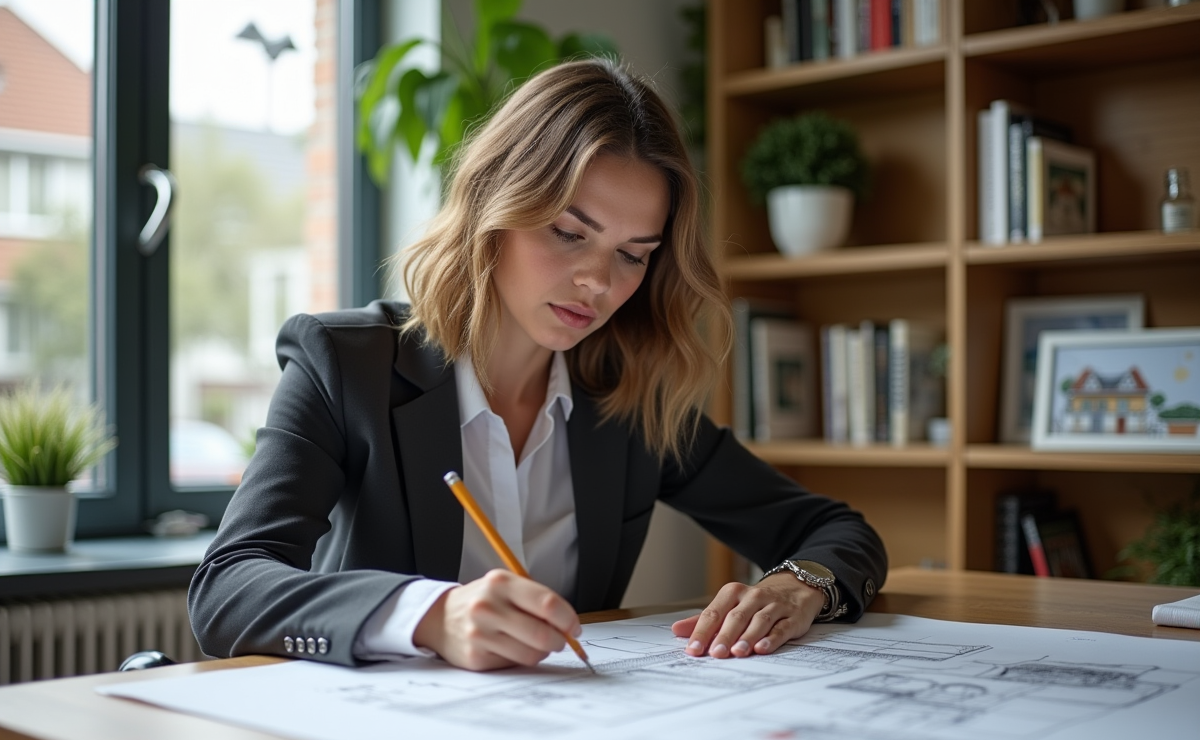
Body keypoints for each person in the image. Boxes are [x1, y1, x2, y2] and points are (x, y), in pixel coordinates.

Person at [189, 59, 887, 672]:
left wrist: (799, 587)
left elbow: (840, 532)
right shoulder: (345, 365)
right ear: (495, 204)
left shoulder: (629, 403)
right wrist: (431, 616)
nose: (598, 281)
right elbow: (227, 589)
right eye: (568, 233)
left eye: (633, 254)